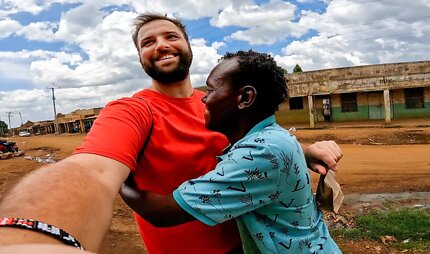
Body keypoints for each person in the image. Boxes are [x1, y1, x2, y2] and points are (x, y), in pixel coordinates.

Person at [0, 13, 342, 253]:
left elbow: (259, 144)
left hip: (252, 243)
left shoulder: (219, 107)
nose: (160, 44)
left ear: (188, 46)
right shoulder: (132, 110)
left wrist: (303, 149)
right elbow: (92, 170)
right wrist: (29, 238)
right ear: (140, 57)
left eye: (171, 36)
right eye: (147, 42)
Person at [121, 50, 342, 253]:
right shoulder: (273, 137)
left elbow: (162, 213)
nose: (203, 98)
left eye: (211, 89)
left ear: (245, 98)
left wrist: (120, 175)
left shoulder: (259, 154)